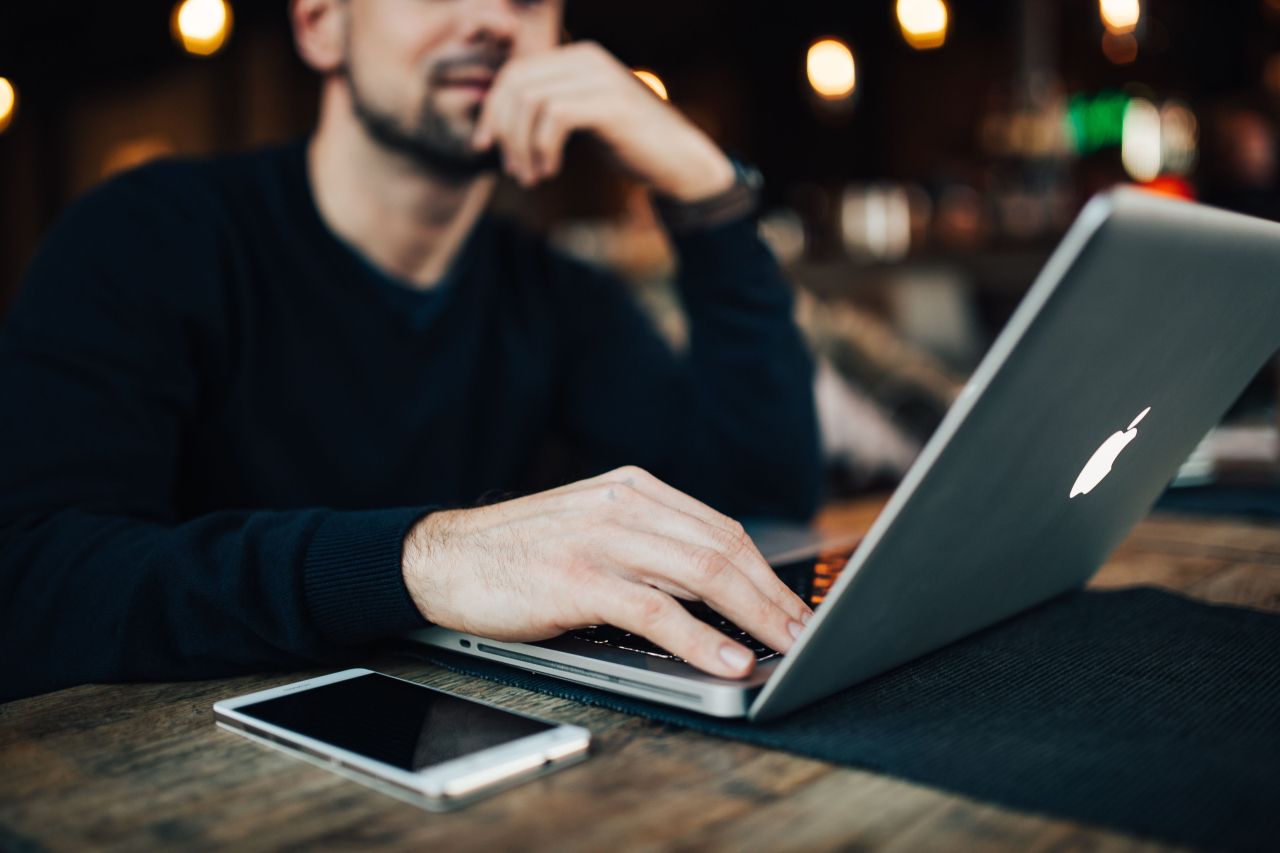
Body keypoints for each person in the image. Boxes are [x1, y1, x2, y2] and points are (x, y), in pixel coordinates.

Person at [0, 0, 821, 702]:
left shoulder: (558, 295)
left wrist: (707, 196)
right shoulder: (147, 235)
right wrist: (422, 560)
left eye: (529, 0)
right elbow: (32, 582)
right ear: (322, 24)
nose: (492, 21)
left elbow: (763, 508)